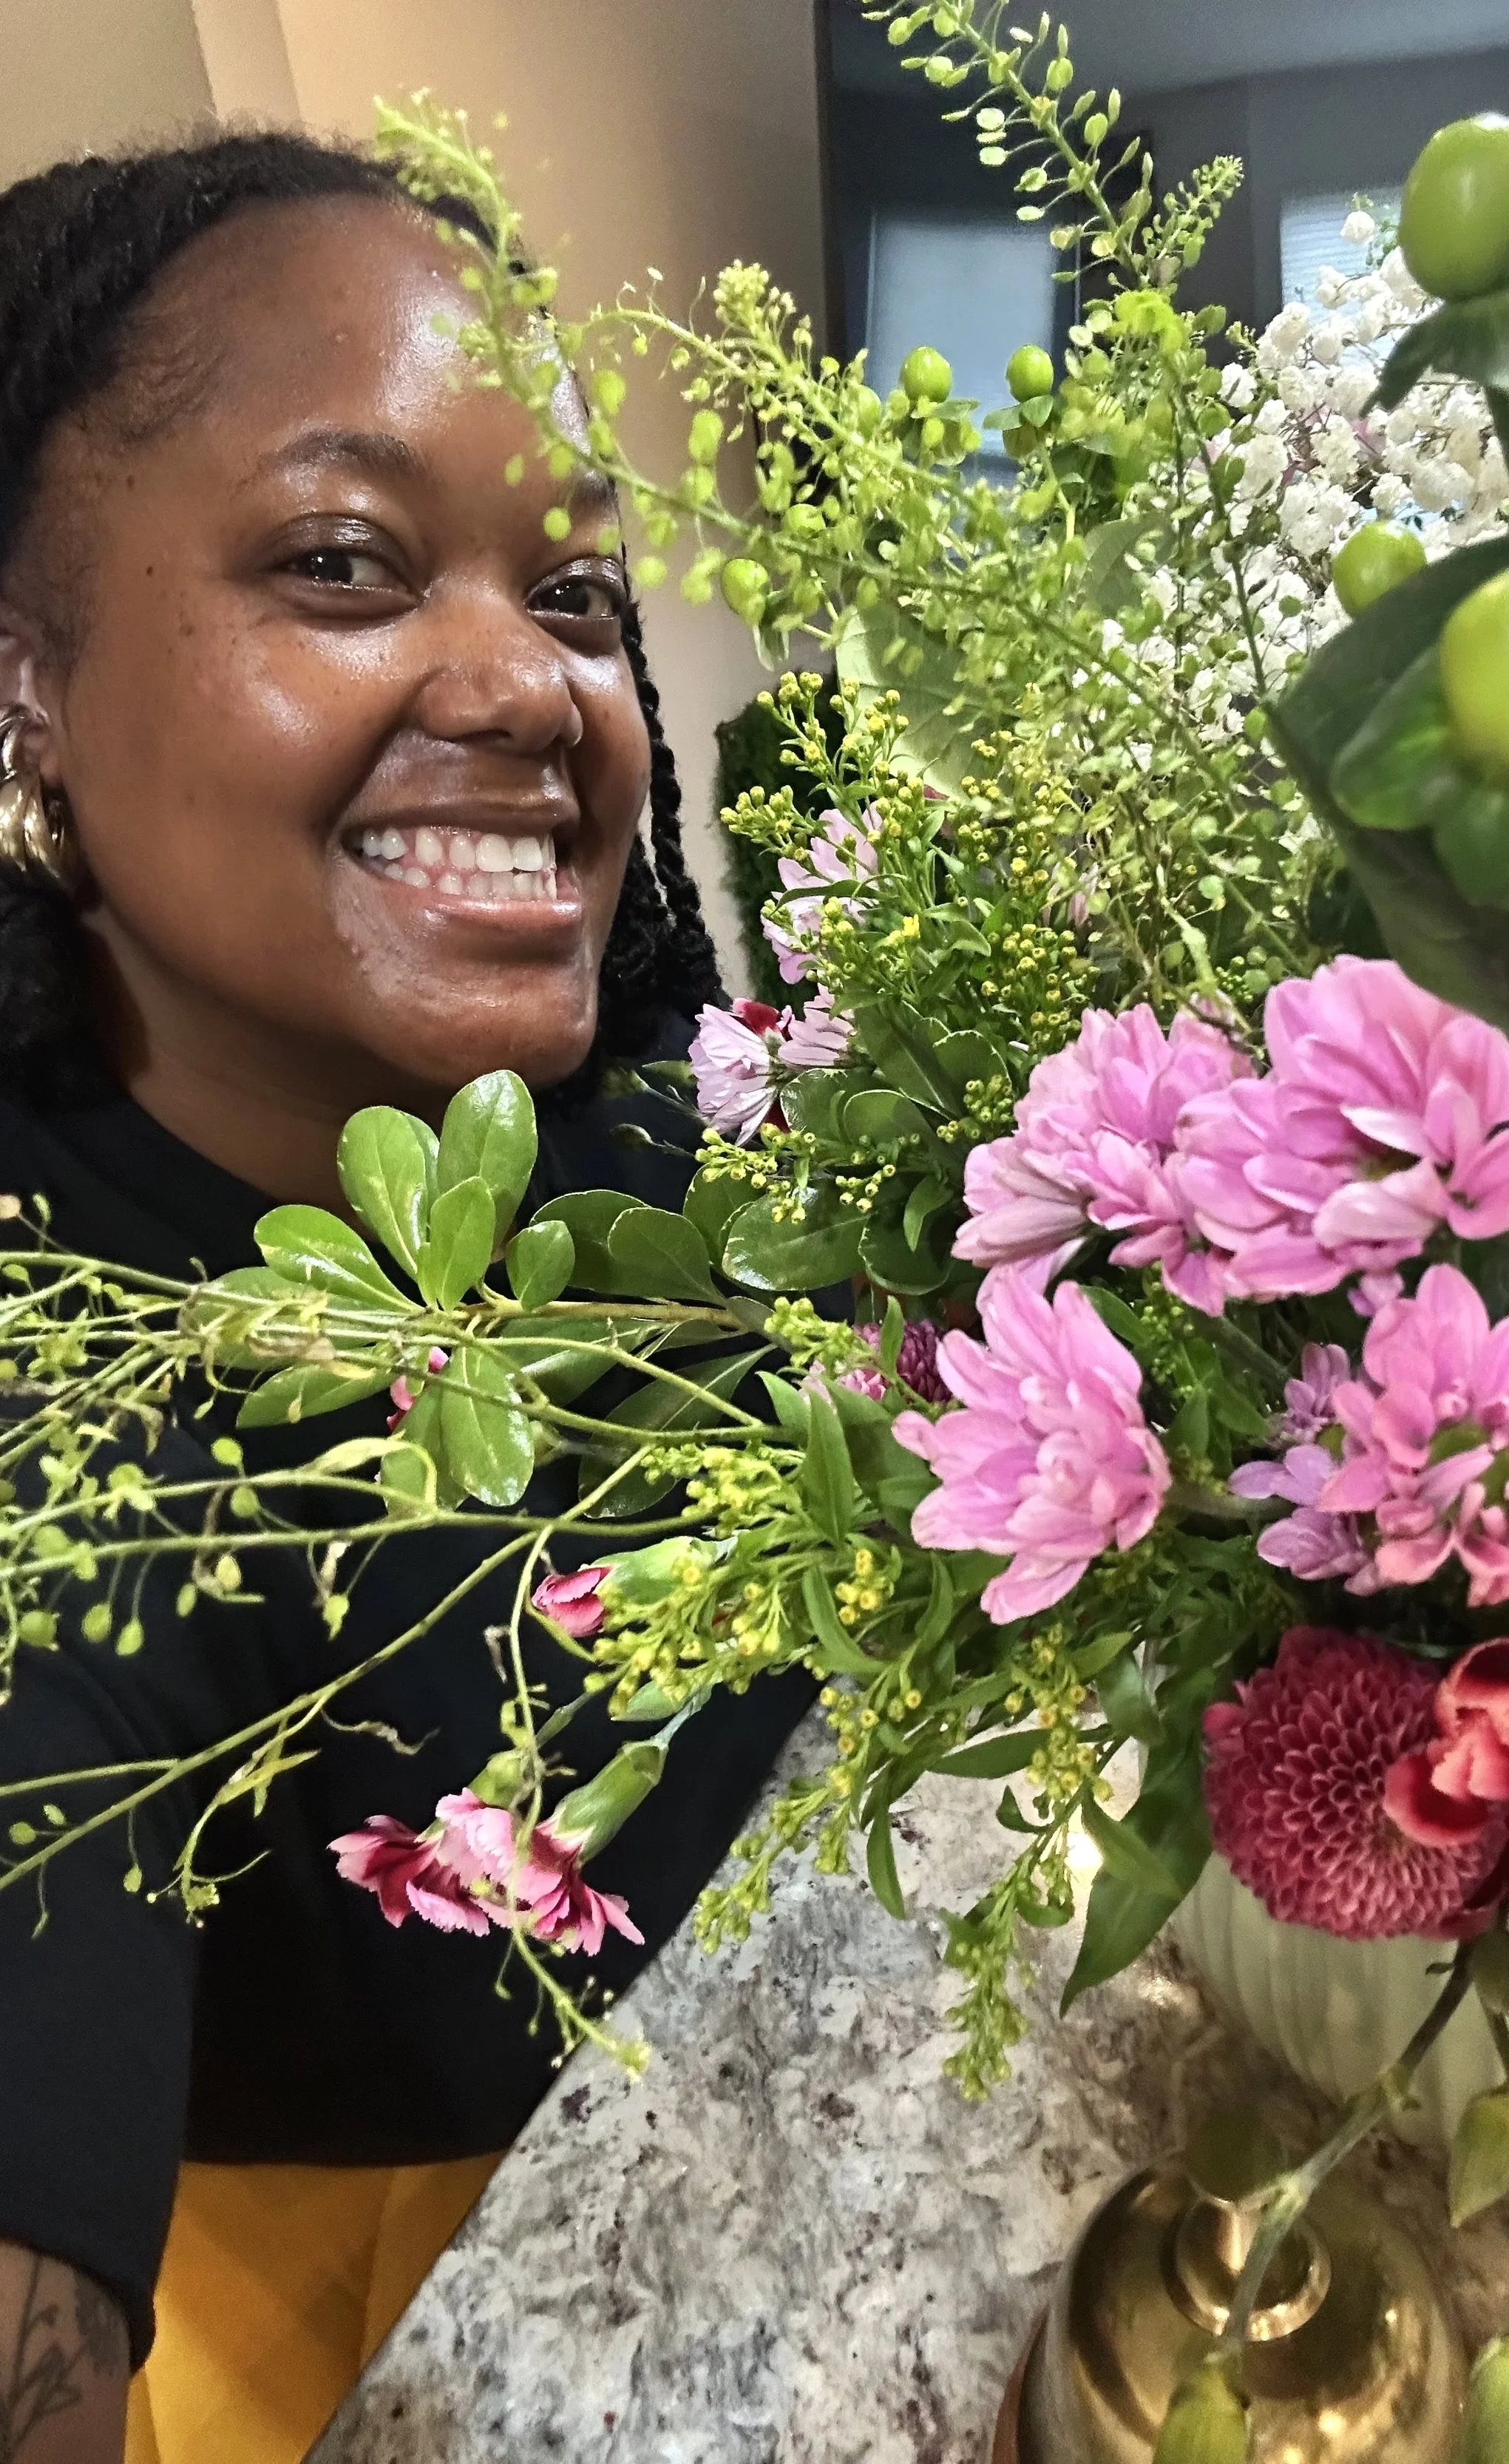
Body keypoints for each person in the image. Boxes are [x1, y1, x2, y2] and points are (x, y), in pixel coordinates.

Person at [0, 132, 811, 2463]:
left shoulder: (664, 1100)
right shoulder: (64, 1426)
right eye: (343, 561)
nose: (525, 680)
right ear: (23, 685)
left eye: (570, 597)